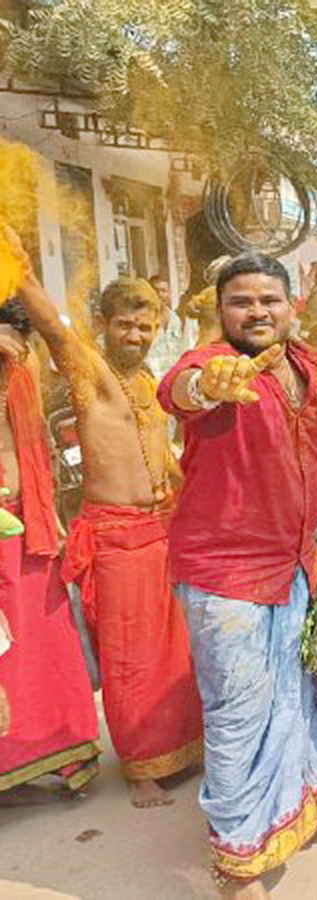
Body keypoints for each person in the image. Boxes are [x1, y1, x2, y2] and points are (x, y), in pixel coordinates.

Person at [159, 253, 317, 897]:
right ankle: (237, 864)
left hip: (294, 563)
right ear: (220, 311)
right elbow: (181, 390)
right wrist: (212, 386)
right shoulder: (211, 365)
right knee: (236, 715)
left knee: (287, 703)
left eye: (269, 300)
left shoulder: (311, 369)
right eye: (241, 302)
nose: (257, 311)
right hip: (224, 571)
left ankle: (276, 823)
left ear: (292, 304)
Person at [2, 228, 204, 808]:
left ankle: (182, 749)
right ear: (104, 323)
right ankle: (140, 769)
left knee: (175, 653)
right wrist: (19, 263)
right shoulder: (89, 373)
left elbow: (163, 455)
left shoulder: (148, 384)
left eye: (145, 325)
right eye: (125, 324)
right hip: (114, 538)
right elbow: (51, 327)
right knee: (129, 659)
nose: (136, 335)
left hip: (162, 532)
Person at [0, 299, 102, 797]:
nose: (9, 366)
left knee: (46, 643)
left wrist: (50, 517)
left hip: (28, 526)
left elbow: (35, 445)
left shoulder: (22, 372)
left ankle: (60, 753)